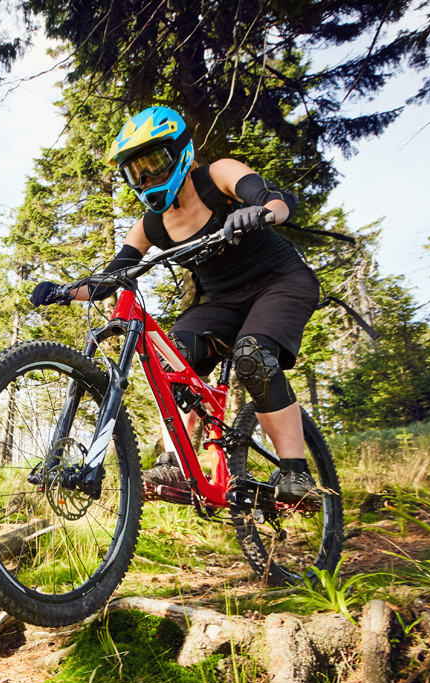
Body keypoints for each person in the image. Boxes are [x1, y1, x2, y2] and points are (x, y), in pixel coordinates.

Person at [29, 105, 320, 503]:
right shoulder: (149, 225)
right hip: (221, 302)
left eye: (154, 163)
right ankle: (173, 464)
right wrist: (64, 290)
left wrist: (259, 212)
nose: (147, 177)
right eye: (136, 171)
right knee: (172, 362)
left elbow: (277, 200)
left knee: (253, 356)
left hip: (280, 282)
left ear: (181, 150)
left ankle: (295, 472)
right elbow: (107, 282)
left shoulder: (218, 175)